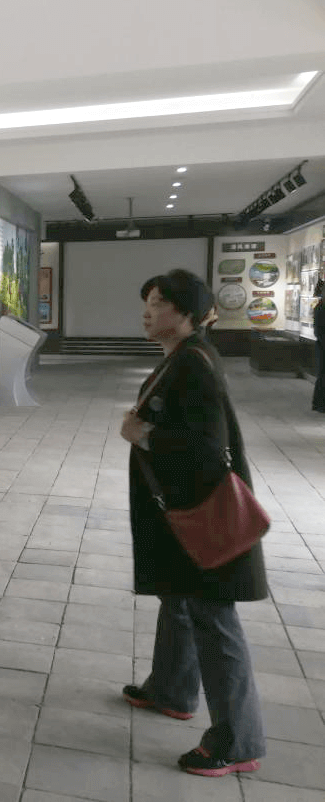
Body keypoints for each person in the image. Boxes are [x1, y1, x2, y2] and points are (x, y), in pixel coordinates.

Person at [119, 269, 268, 777]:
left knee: (213, 618)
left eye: (158, 303)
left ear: (186, 313)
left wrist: (143, 435)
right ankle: (171, 689)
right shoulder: (185, 356)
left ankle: (237, 741)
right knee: (179, 599)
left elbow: (205, 448)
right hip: (184, 513)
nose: (147, 312)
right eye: (147, 301)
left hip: (204, 518)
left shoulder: (194, 364)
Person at [312, 278, 325, 413]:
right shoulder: (320, 308)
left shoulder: (319, 307)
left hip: (321, 345)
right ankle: (319, 404)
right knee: (322, 376)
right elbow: (318, 331)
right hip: (322, 347)